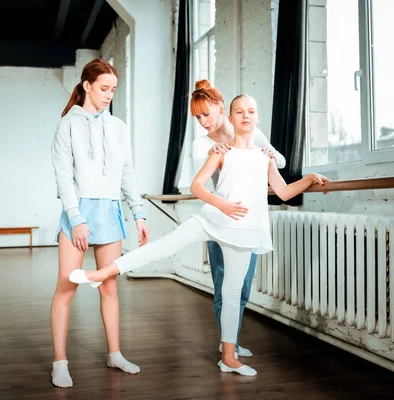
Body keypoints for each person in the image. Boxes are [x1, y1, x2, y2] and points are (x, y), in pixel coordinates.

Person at [69, 94, 330, 376]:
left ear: (257, 118)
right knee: (163, 246)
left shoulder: (264, 157)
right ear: (230, 118)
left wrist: (308, 179)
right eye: (239, 111)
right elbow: (197, 186)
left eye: (251, 111)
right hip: (212, 218)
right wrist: (223, 205)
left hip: (244, 229)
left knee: (232, 293)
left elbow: (283, 192)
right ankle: (101, 274)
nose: (245, 115)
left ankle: (228, 358)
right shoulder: (220, 151)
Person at [50, 58, 149, 388]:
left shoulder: (118, 127)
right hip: (78, 213)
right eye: (104, 88)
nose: (109, 95)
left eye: (113, 90)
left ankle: (115, 353)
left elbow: (127, 174)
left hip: (110, 212)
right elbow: (64, 178)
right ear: (87, 86)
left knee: (109, 287)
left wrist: (139, 214)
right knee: (67, 286)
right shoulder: (67, 125)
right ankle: (60, 362)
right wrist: (76, 219)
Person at [190, 79, 286, 358]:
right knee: (223, 284)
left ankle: (230, 340)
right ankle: (226, 346)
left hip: (248, 219)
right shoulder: (201, 144)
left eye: (206, 114)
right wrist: (214, 154)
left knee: (243, 287)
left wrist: (268, 153)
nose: (203, 121)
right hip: (221, 218)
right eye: (197, 117)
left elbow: (278, 161)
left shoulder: (249, 130)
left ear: (222, 109)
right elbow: (202, 179)